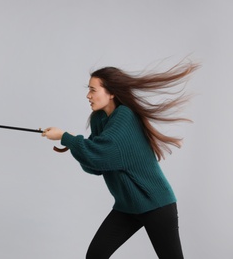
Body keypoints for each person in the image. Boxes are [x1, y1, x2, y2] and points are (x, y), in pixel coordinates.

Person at [41, 61, 199, 259]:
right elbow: (96, 166)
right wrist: (72, 143)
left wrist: (66, 138)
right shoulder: (99, 118)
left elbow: (99, 155)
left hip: (156, 204)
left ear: (112, 92)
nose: (88, 95)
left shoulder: (125, 116)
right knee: (95, 256)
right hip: (127, 206)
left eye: (92, 90)